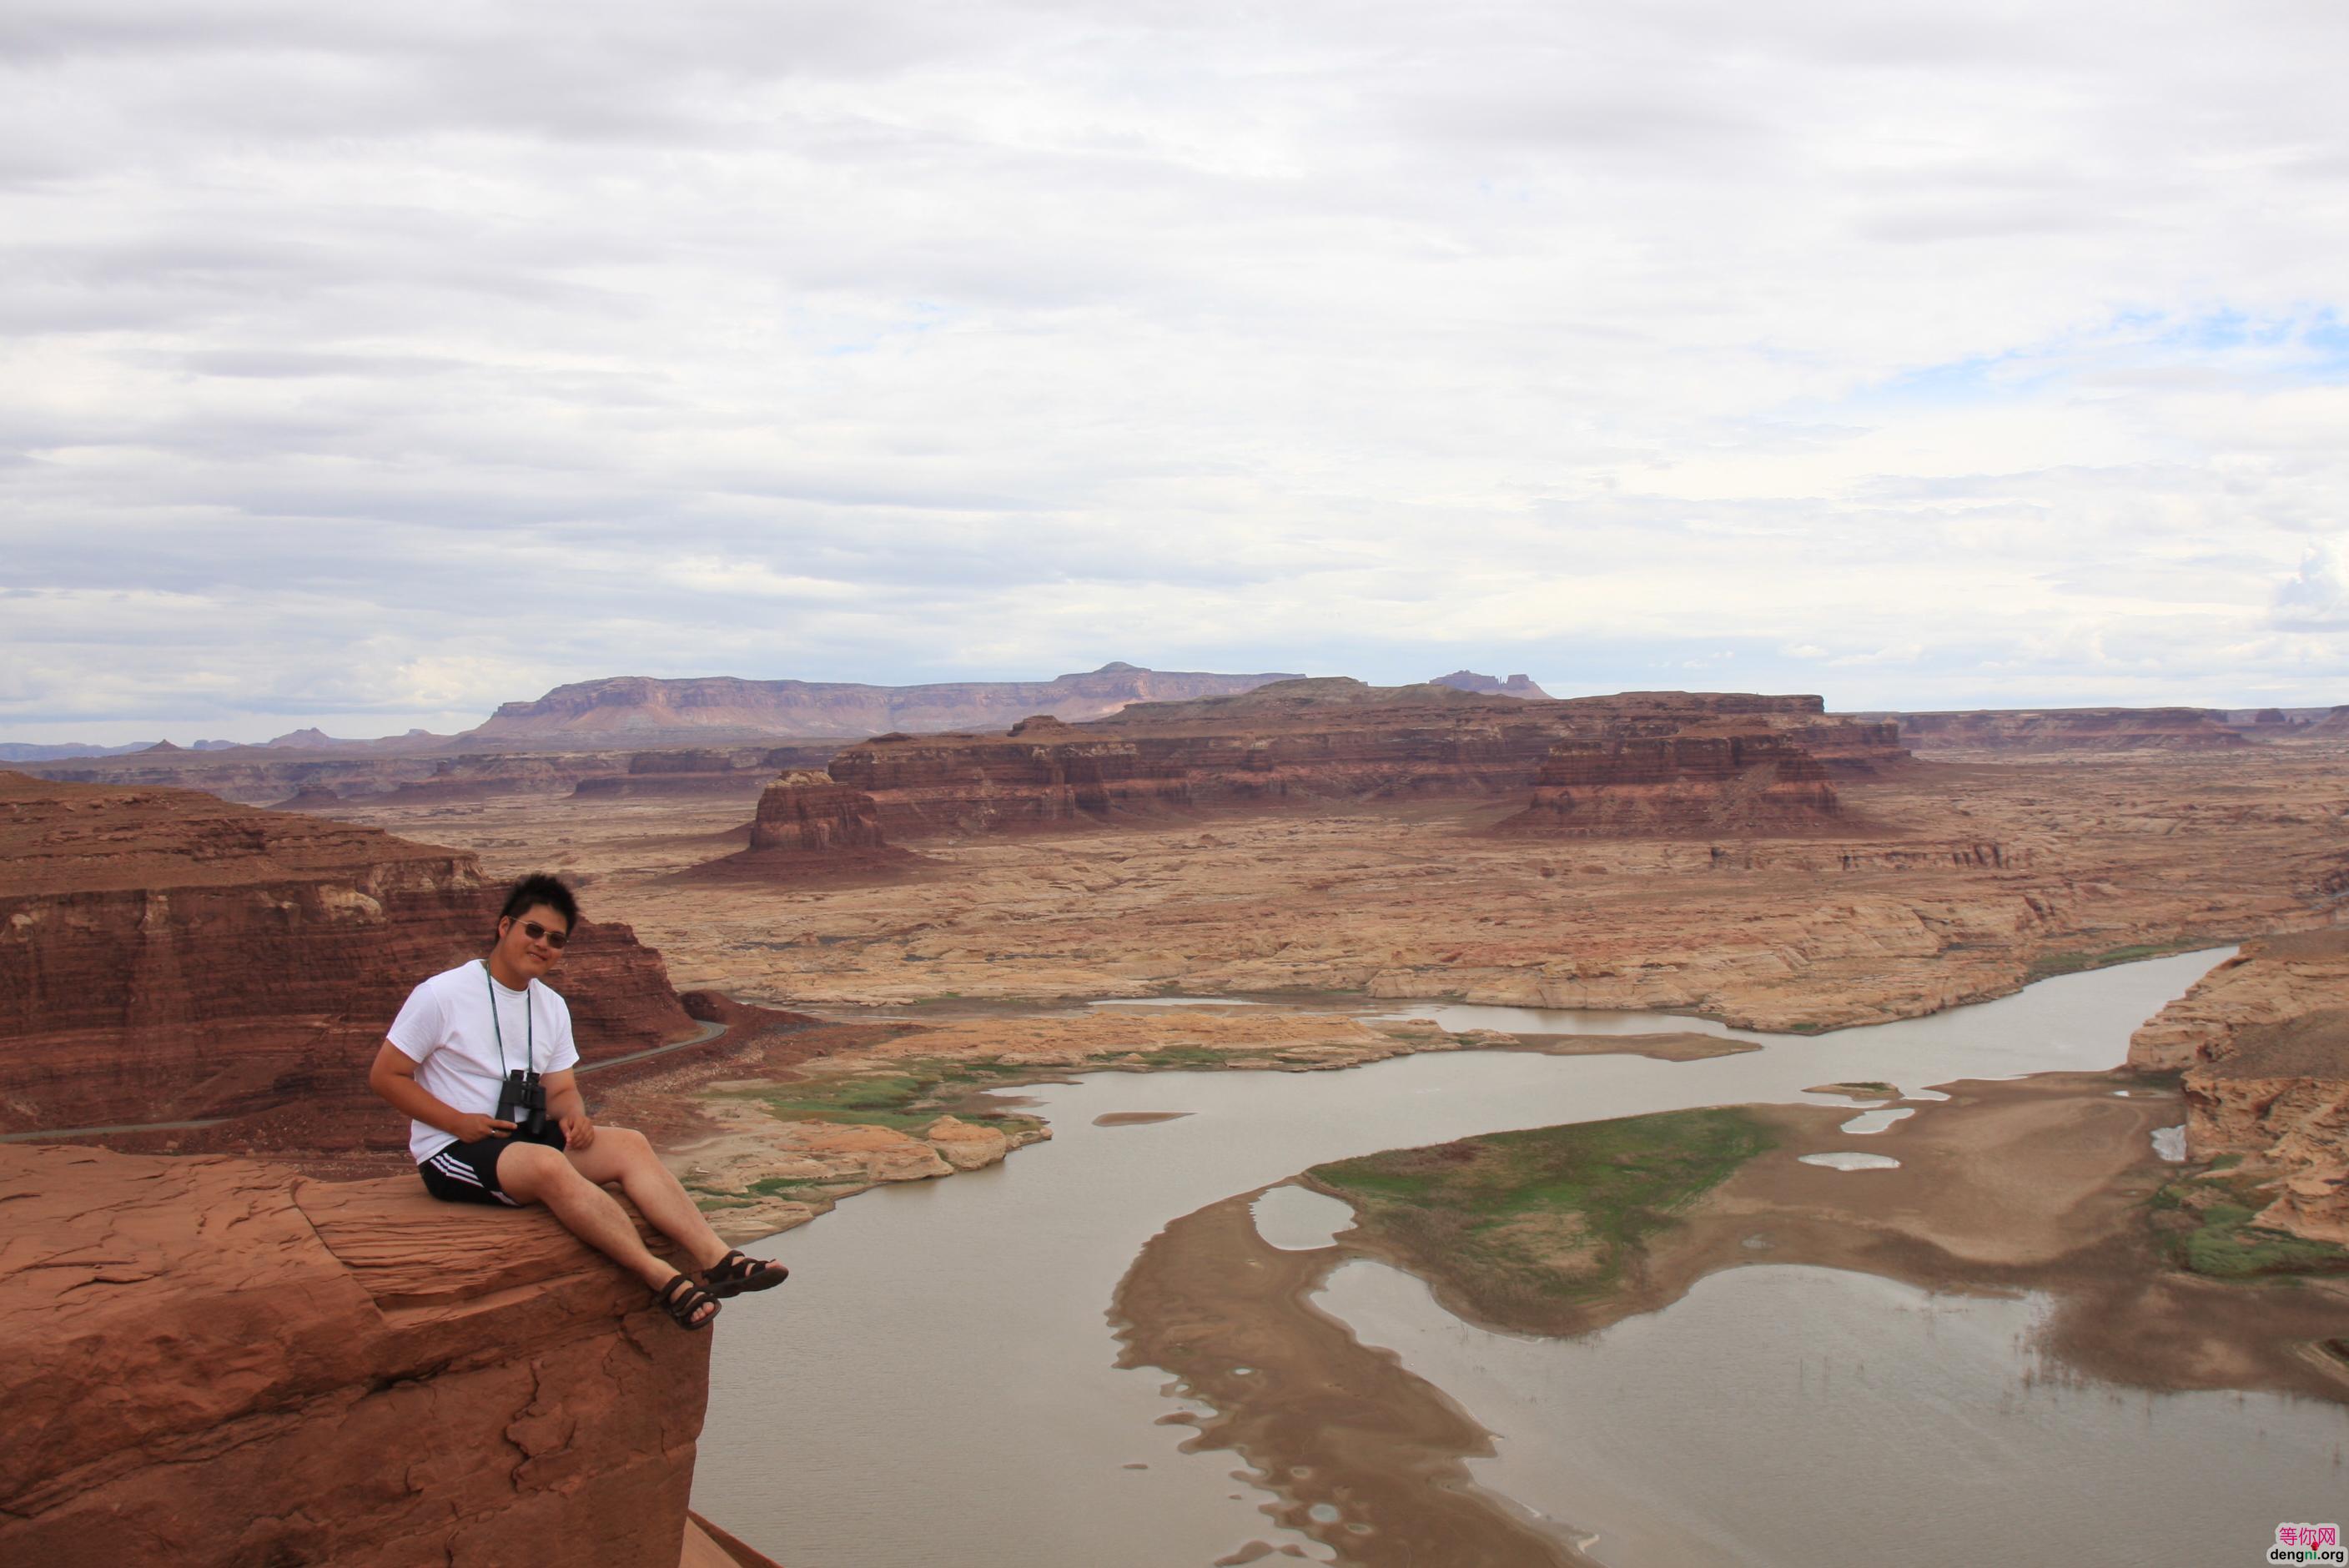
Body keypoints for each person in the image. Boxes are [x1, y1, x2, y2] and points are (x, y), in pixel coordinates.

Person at [367, 872, 787, 1329]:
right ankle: (662, 1279)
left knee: (629, 1144)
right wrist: (457, 1122)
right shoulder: (442, 995)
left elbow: (561, 1089)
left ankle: (719, 1261)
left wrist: (575, 1117)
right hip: (455, 1150)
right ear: (505, 927)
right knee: (549, 1168)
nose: (543, 944)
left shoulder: (549, 1005)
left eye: (556, 939)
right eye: (533, 930)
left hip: (523, 1136)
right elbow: (386, 1075)